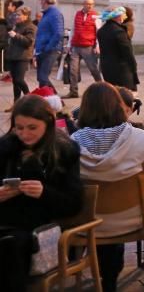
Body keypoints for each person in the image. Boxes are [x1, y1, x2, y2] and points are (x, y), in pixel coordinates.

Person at [72, 83, 144, 291]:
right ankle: (111, 281)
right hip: (134, 219)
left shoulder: (73, 143)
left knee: (100, 218)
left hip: (89, 223)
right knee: (119, 216)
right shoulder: (138, 137)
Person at [0, 95, 84, 291]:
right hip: (8, 221)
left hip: (43, 227)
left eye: (32, 128)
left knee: (11, 246)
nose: (24, 134)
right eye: (19, 128)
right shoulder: (6, 148)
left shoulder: (64, 151)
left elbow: (73, 203)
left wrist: (44, 192)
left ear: (48, 124)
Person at [97, 7, 139, 91]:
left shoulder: (101, 31)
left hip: (107, 68)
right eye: (121, 15)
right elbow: (127, 52)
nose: (123, 17)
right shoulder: (119, 31)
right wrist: (134, 66)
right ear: (116, 17)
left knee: (112, 94)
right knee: (124, 96)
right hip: (121, 70)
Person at [67, 0, 102, 98]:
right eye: (88, 4)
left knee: (93, 69)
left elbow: (98, 32)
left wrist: (97, 46)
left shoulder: (96, 16)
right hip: (75, 46)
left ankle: (102, 88)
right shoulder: (77, 14)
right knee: (73, 70)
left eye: (92, 4)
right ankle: (73, 91)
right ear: (83, 4)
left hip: (88, 47)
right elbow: (73, 30)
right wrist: (69, 44)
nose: (90, 6)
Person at [5, 6, 35, 107]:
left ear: (26, 16)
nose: (17, 16)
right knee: (15, 82)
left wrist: (15, 35)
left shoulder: (30, 27)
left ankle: (30, 100)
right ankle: (16, 104)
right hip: (14, 56)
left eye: (19, 15)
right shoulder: (17, 25)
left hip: (23, 57)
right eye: (16, 14)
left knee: (19, 80)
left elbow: (28, 42)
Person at [34, 0, 64, 89]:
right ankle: (47, 99)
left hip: (50, 50)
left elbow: (58, 33)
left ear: (45, 1)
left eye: (41, 1)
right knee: (41, 78)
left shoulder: (55, 14)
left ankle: (55, 100)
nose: (40, 4)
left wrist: (47, 48)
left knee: (43, 77)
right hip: (43, 49)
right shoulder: (46, 14)